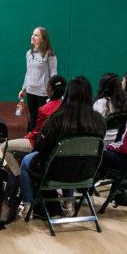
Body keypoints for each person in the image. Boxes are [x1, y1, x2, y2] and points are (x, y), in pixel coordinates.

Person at [19, 76, 106, 218]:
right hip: (86, 172)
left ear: (68, 94)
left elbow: (41, 146)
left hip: (55, 170)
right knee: (74, 159)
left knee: (26, 161)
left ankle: (28, 205)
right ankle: (68, 204)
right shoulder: (99, 121)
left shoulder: (57, 118)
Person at [4, 75, 66, 176]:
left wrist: (28, 136)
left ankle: (19, 176)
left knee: (4, 147)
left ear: (49, 88)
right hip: (62, 148)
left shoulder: (44, 110)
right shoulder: (68, 108)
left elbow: (38, 132)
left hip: (42, 146)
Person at [18, 27, 57, 132]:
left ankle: (42, 142)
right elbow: (28, 72)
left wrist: (52, 91)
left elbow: (53, 73)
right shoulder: (29, 54)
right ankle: (31, 142)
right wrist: (23, 89)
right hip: (30, 90)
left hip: (43, 92)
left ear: (43, 39)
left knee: (43, 119)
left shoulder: (49, 54)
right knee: (33, 118)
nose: (33, 37)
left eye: (36, 35)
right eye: (32, 34)